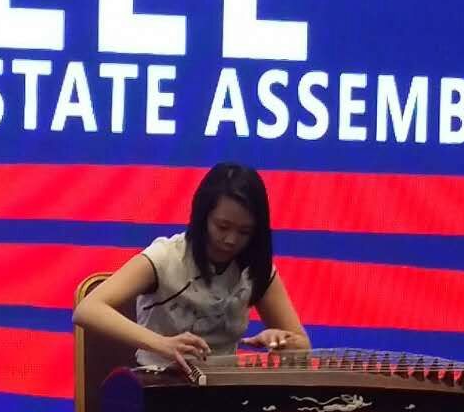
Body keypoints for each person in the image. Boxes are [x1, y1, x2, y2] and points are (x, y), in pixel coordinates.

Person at [73, 162, 310, 378]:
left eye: (244, 232)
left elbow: (303, 348)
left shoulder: (255, 267)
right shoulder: (167, 257)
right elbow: (87, 309)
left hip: (222, 389)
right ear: (202, 217)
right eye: (222, 226)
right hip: (160, 384)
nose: (231, 240)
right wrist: (163, 344)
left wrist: (281, 342)